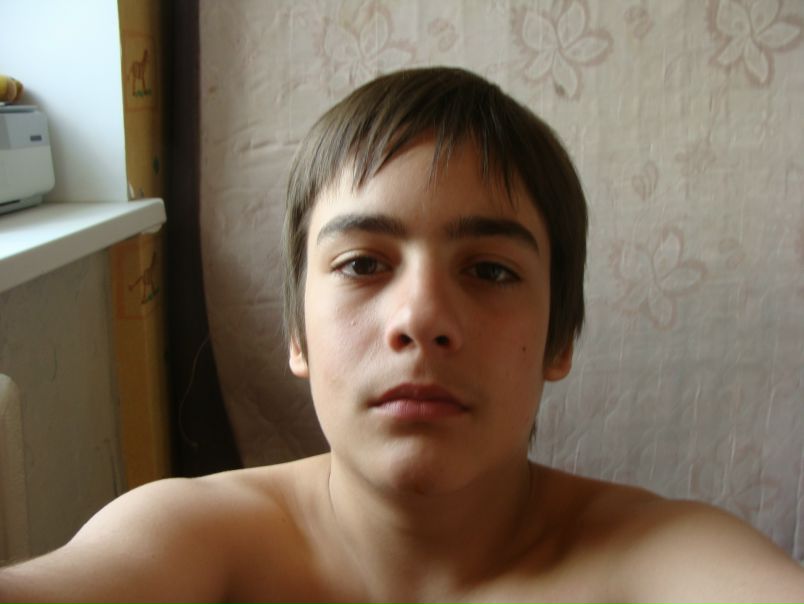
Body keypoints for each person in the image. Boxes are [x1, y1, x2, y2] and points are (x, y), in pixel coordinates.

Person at [1, 66, 802, 603]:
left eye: (489, 271)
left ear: (560, 338)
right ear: (297, 334)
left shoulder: (657, 559)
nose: (421, 318)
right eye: (361, 264)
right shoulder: (196, 541)